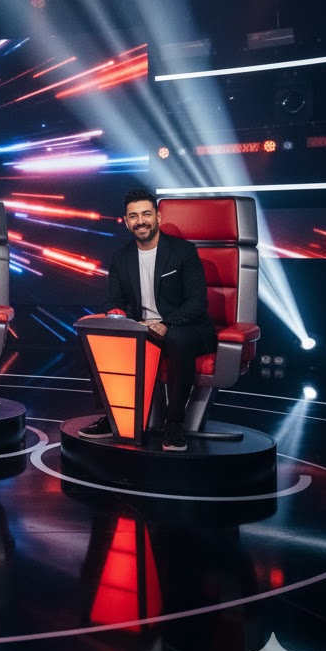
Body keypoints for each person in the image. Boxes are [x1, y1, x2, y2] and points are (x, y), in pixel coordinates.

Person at [79, 186, 217, 452]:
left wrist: (166, 324)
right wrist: (117, 318)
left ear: (158, 218)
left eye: (146, 214)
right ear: (126, 222)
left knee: (177, 339)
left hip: (186, 327)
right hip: (143, 328)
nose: (140, 221)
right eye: (134, 216)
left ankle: (174, 424)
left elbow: (197, 302)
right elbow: (112, 301)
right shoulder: (121, 257)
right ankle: (112, 417)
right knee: (96, 334)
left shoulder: (183, 251)